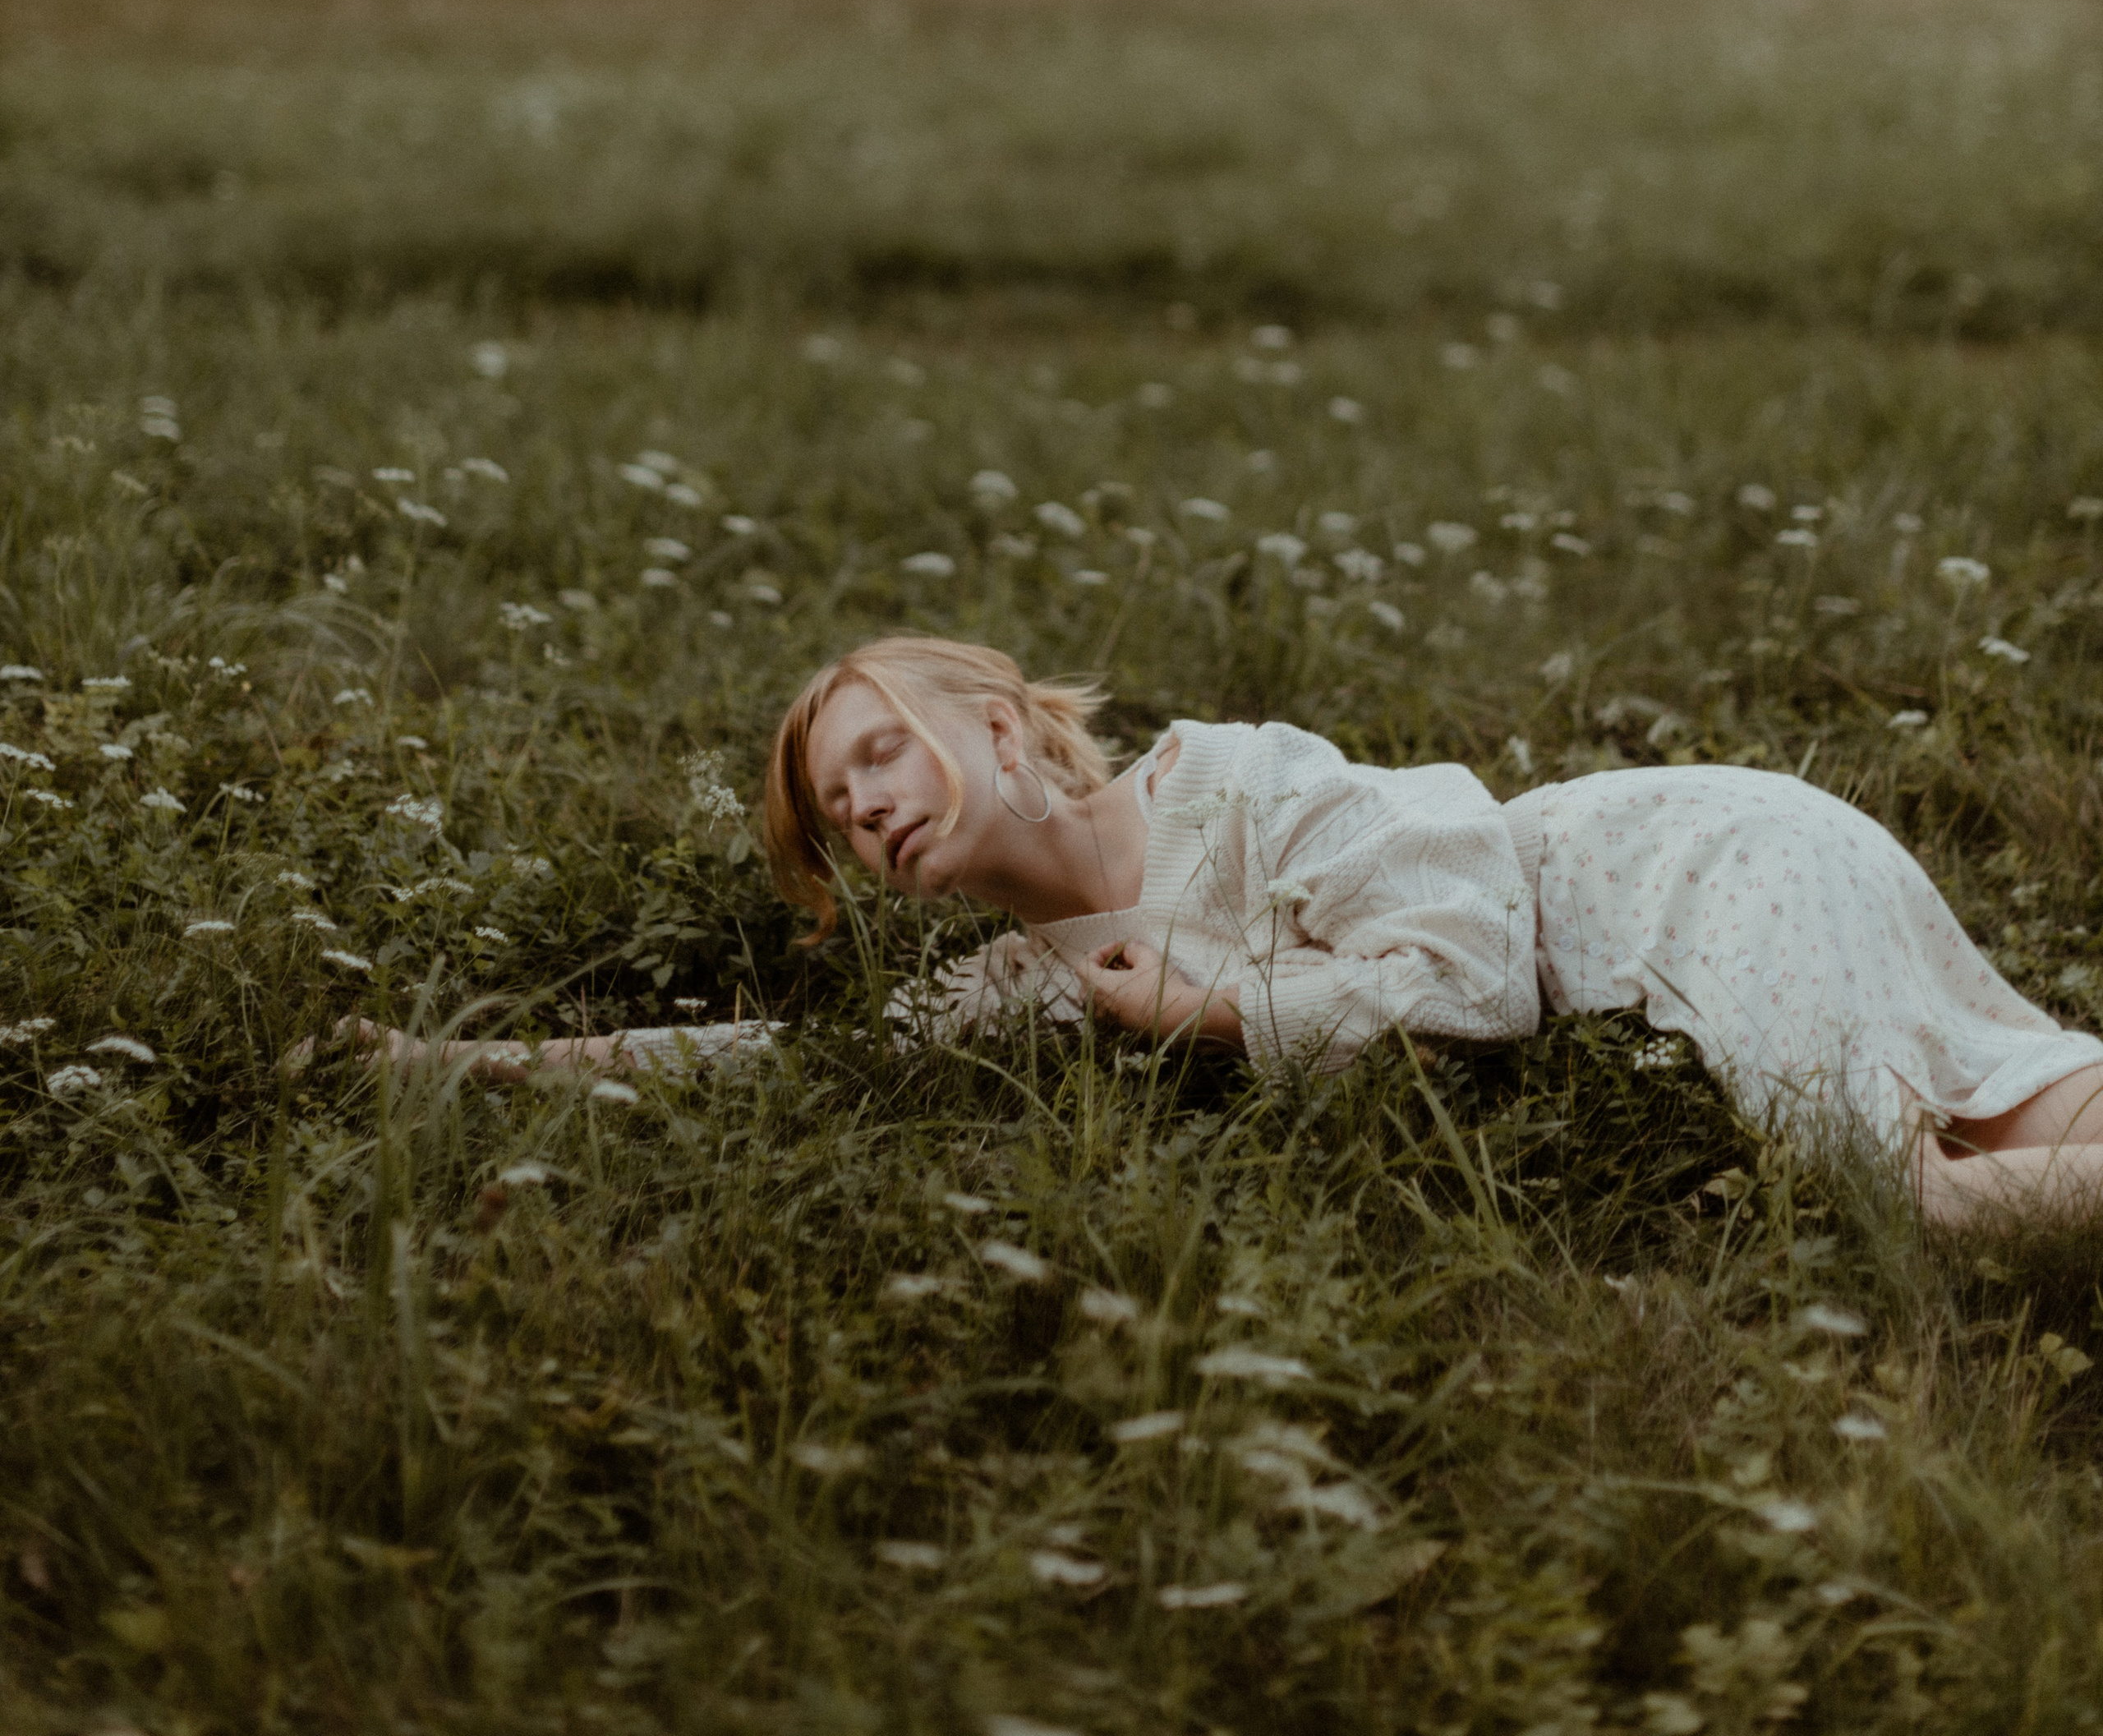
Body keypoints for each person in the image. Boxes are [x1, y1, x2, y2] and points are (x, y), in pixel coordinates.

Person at [335, 634, 2103, 1230]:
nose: (863, 802)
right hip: (1667, 946)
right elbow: (797, 1062)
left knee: (1904, 1202)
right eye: (835, 806)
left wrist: (1210, 1013)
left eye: (880, 749)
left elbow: (1472, 982)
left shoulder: (1242, 788)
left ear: (1008, 726)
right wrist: (478, 1058)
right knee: (2032, 1128)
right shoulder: (1031, 978)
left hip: (1685, 865)